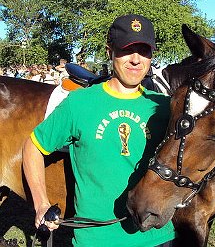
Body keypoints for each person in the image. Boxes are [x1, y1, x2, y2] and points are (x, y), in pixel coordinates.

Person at [23, 14, 176, 247]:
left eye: (144, 51)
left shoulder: (164, 106)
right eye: (127, 50)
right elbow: (33, 146)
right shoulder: (79, 103)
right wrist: (41, 202)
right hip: (97, 239)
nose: (136, 59)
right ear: (110, 52)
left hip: (158, 236)